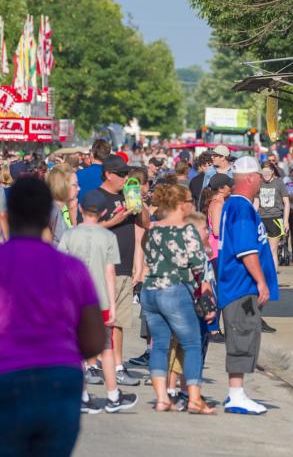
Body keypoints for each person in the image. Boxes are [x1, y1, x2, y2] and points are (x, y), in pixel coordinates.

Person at [0, 177, 105, 456]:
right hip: (58, 382)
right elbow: (94, 341)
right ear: (49, 217)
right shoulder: (72, 269)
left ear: (7, 215)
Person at [139, 183, 216, 414]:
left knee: (160, 346)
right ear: (182, 204)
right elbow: (197, 264)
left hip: (150, 290)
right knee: (191, 343)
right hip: (175, 289)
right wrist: (204, 296)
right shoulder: (186, 230)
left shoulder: (153, 229)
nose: (192, 205)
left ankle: (162, 398)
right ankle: (194, 399)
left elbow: (147, 256)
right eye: (190, 201)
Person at [58, 190, 137, 414]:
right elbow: (110, 272)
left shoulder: (70, 235)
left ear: (81, 209)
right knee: (106, 349)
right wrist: (112, 305)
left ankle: (82, 395)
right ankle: (113, 395)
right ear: (103, 213)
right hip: (100, 301)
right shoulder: (108, 237)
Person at [215, 156, 279, 414]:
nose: (261, 184)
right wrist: (261, 281)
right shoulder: (241, 208)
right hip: (241, 286)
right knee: (243, 336)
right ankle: (236, 393)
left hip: (238, 285)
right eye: (259, 179)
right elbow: (246, 250)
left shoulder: (234, 205)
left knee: (245, 336)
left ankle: (238, 392)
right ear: (250, 178)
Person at [86, 154, 143, 387]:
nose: (125, 178)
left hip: (124, 266)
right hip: (101, 266)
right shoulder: (94, 197)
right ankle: (91, 364)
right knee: (98, 318)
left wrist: (140, 204)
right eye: (121, 174)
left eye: (126, 174)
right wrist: (115, 220)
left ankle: (118, 365)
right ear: (108, 174)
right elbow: (87, 228)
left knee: (119, 320)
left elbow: (143, 225)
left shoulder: (126, 196)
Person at [257, 163, 290, 266]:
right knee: (261, 250)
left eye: (268, 172)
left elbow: (287, 203)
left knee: (272, 249)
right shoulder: (259, 183)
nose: (265, 174)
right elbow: (256, 202)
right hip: (261, 218)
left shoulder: (279, 183)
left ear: (272, 172)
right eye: (263, 172)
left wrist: (285, 221)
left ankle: (273, 277)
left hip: (275, 218)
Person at [45, 163, 79, 242]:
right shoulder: (53, 211)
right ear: (62, 185)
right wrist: (73, 213)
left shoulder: (53, 207)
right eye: (75, 185)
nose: (78, 188)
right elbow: (68, 243)